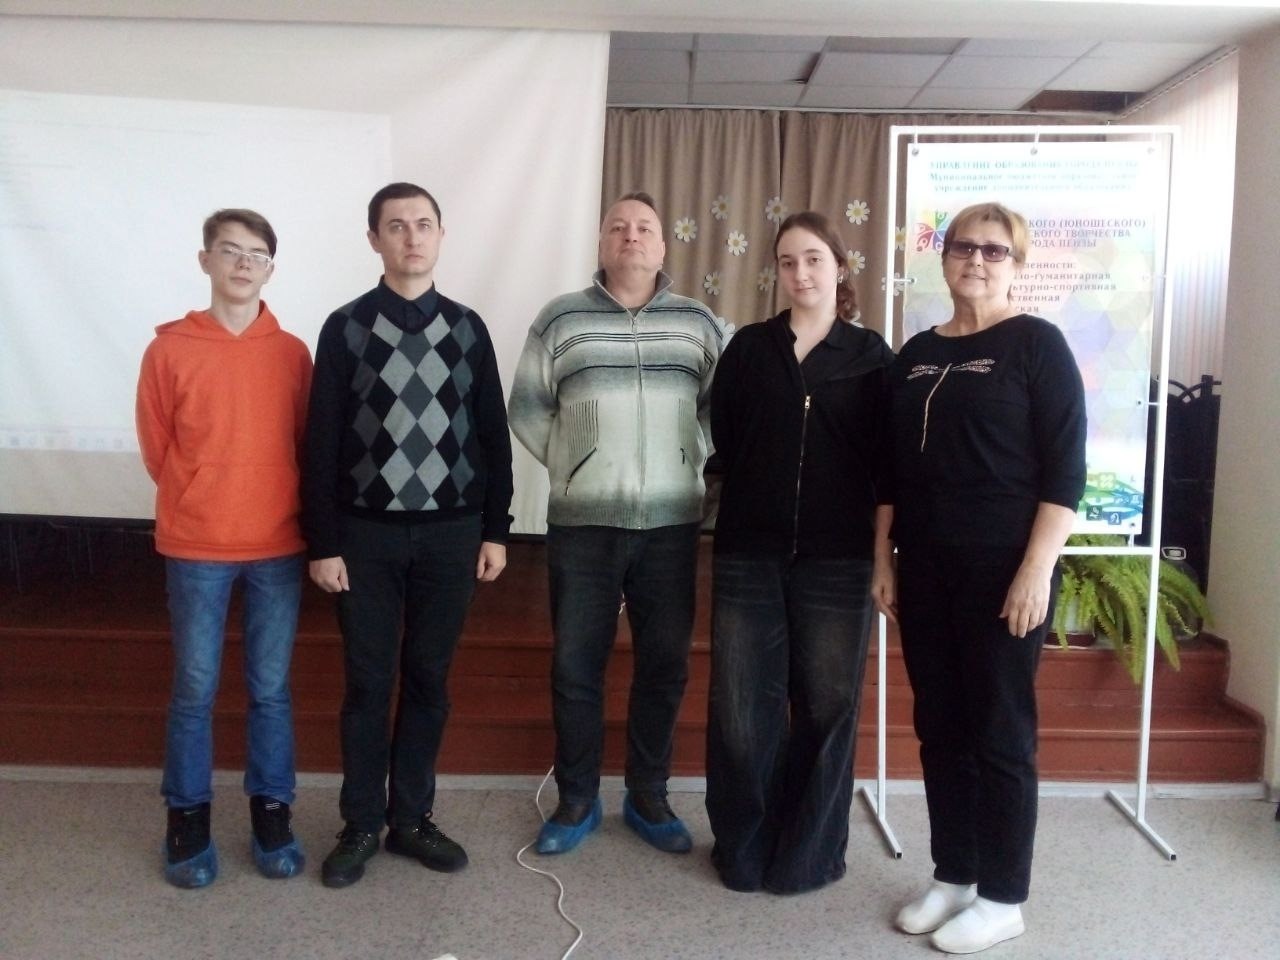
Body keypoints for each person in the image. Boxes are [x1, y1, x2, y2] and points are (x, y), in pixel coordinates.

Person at [875, 202, 1086, 954]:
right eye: (965, 247)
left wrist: (1036, 569)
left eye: (995, 251)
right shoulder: (916, 353)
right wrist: (883, 559)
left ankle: (1003, 896)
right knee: (940, 728)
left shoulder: (1037, 345)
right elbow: (889, 471)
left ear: (1016, 265)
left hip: (1003, 573)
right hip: (925, 570)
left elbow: (1066, 471)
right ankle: (956, 874)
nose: (977, 260)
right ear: (944, 258)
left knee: (999, 732)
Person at [302, 182, 513, 889]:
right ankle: (361, 822)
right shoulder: (346, 328)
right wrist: (323, 542)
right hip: (364, 537)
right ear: (374, 240)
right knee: (367, 683)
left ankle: (412, 818)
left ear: (441, 235)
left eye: (424, 224)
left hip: (452, 535)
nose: (412, 237)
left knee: (428, 678)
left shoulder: (468, 328)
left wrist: (497, 528)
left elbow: (492, 434)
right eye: (396, 226)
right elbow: (321, 440)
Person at [508, 191, 728, 855]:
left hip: (671, 524)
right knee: (577, 666)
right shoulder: (561, 319)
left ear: (663, 246)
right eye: (618, 227)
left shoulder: (697, 324)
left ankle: (648, 795)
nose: (631, 236)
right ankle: (576, 799)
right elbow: (527, 408)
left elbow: (723, 411)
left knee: (664, 665)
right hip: (584, 525)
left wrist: (689, 456)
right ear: (602, 242)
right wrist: (575, 462)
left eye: (645, 228)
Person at [704, 211, 893, 894]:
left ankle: (809, 854)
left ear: (839, 267)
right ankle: (743, 847)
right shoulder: (750, 348)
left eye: (814, 259)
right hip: (748, 554)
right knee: (742, 710)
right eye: (788, 262)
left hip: (838, 560)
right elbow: (728, 440)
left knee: (827, 709)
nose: (801, 273)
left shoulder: (872, 356)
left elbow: (888, 467)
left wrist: (883, 557)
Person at [136, 208, 312, 888]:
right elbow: (159, 447)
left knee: (270, 690)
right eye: (230, 250)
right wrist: (201, 494)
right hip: (197, 546)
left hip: (277, 544)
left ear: (271, 269)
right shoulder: (168, 350)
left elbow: (305, 441)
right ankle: (187, 817)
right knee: (195, 687)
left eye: (256, 254)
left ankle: (272, 812)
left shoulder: (292, 353)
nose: (243, 263)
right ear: (205, 260)